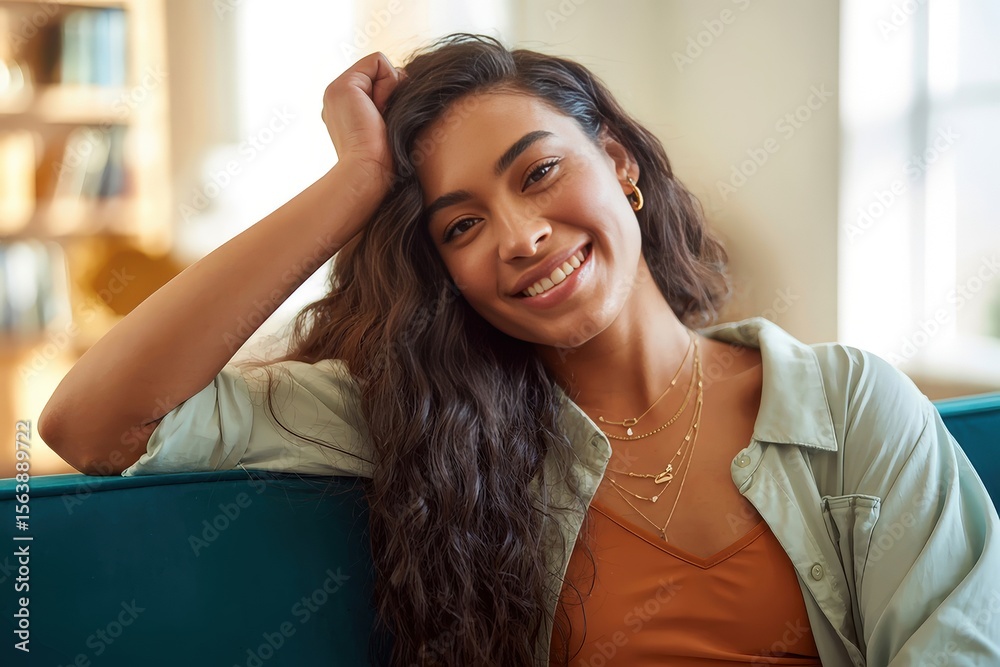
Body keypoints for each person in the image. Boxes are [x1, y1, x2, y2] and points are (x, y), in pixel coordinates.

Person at [39, 33, 1000, 667]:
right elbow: (95, 424)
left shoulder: (843, 402)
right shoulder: (429, 423)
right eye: (460, 226)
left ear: (618, 164)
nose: (520, 235)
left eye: (539, 172)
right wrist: (354, 183)